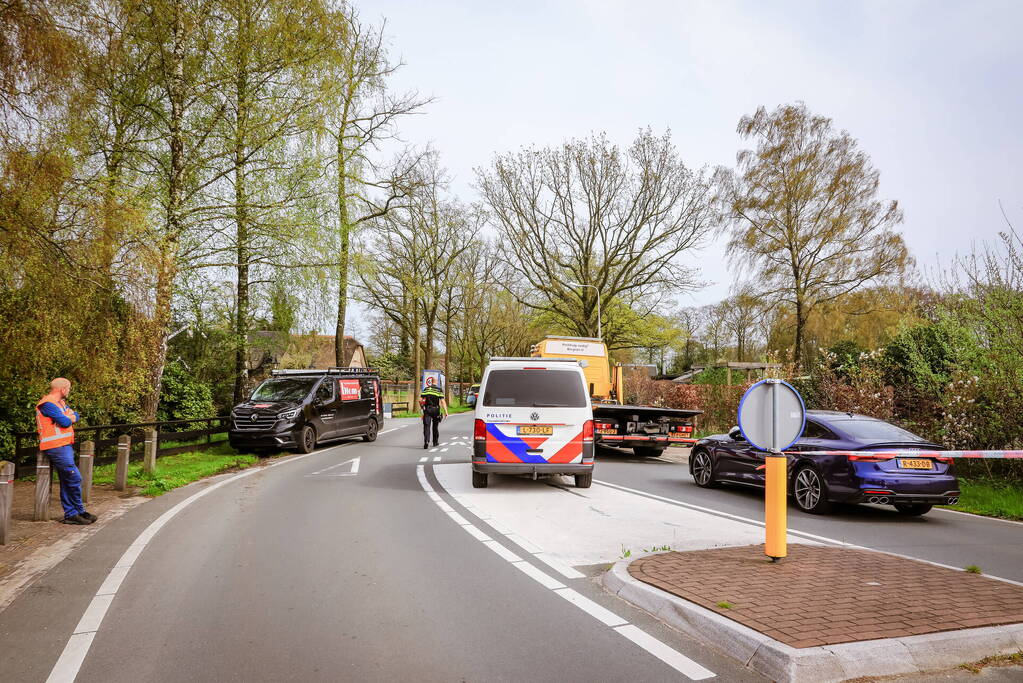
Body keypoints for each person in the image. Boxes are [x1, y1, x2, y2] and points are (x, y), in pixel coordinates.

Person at [36, 378, 95, 525]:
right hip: (56, 447)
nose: (69, 391)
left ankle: (75, 513)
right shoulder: (47, 404)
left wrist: (69, 417)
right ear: (63, 389)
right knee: (74, 478)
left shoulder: (60, 404)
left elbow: (76, 415)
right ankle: (74, 512)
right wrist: (68, 418)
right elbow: (66, 421)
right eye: (68, 389)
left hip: (64, 445)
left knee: (66, 480)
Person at [420, 383, 449, 449]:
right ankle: (435, 442)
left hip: (427, 410)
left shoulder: (426, 389)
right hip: (436, 410)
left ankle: (426, 441)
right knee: (435, 426)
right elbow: (442, 401)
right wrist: (446, 412)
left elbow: (420, 400)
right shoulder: (439, 390)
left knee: (426, 426)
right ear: (436, 383)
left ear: (431, 382)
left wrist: (422, 409)